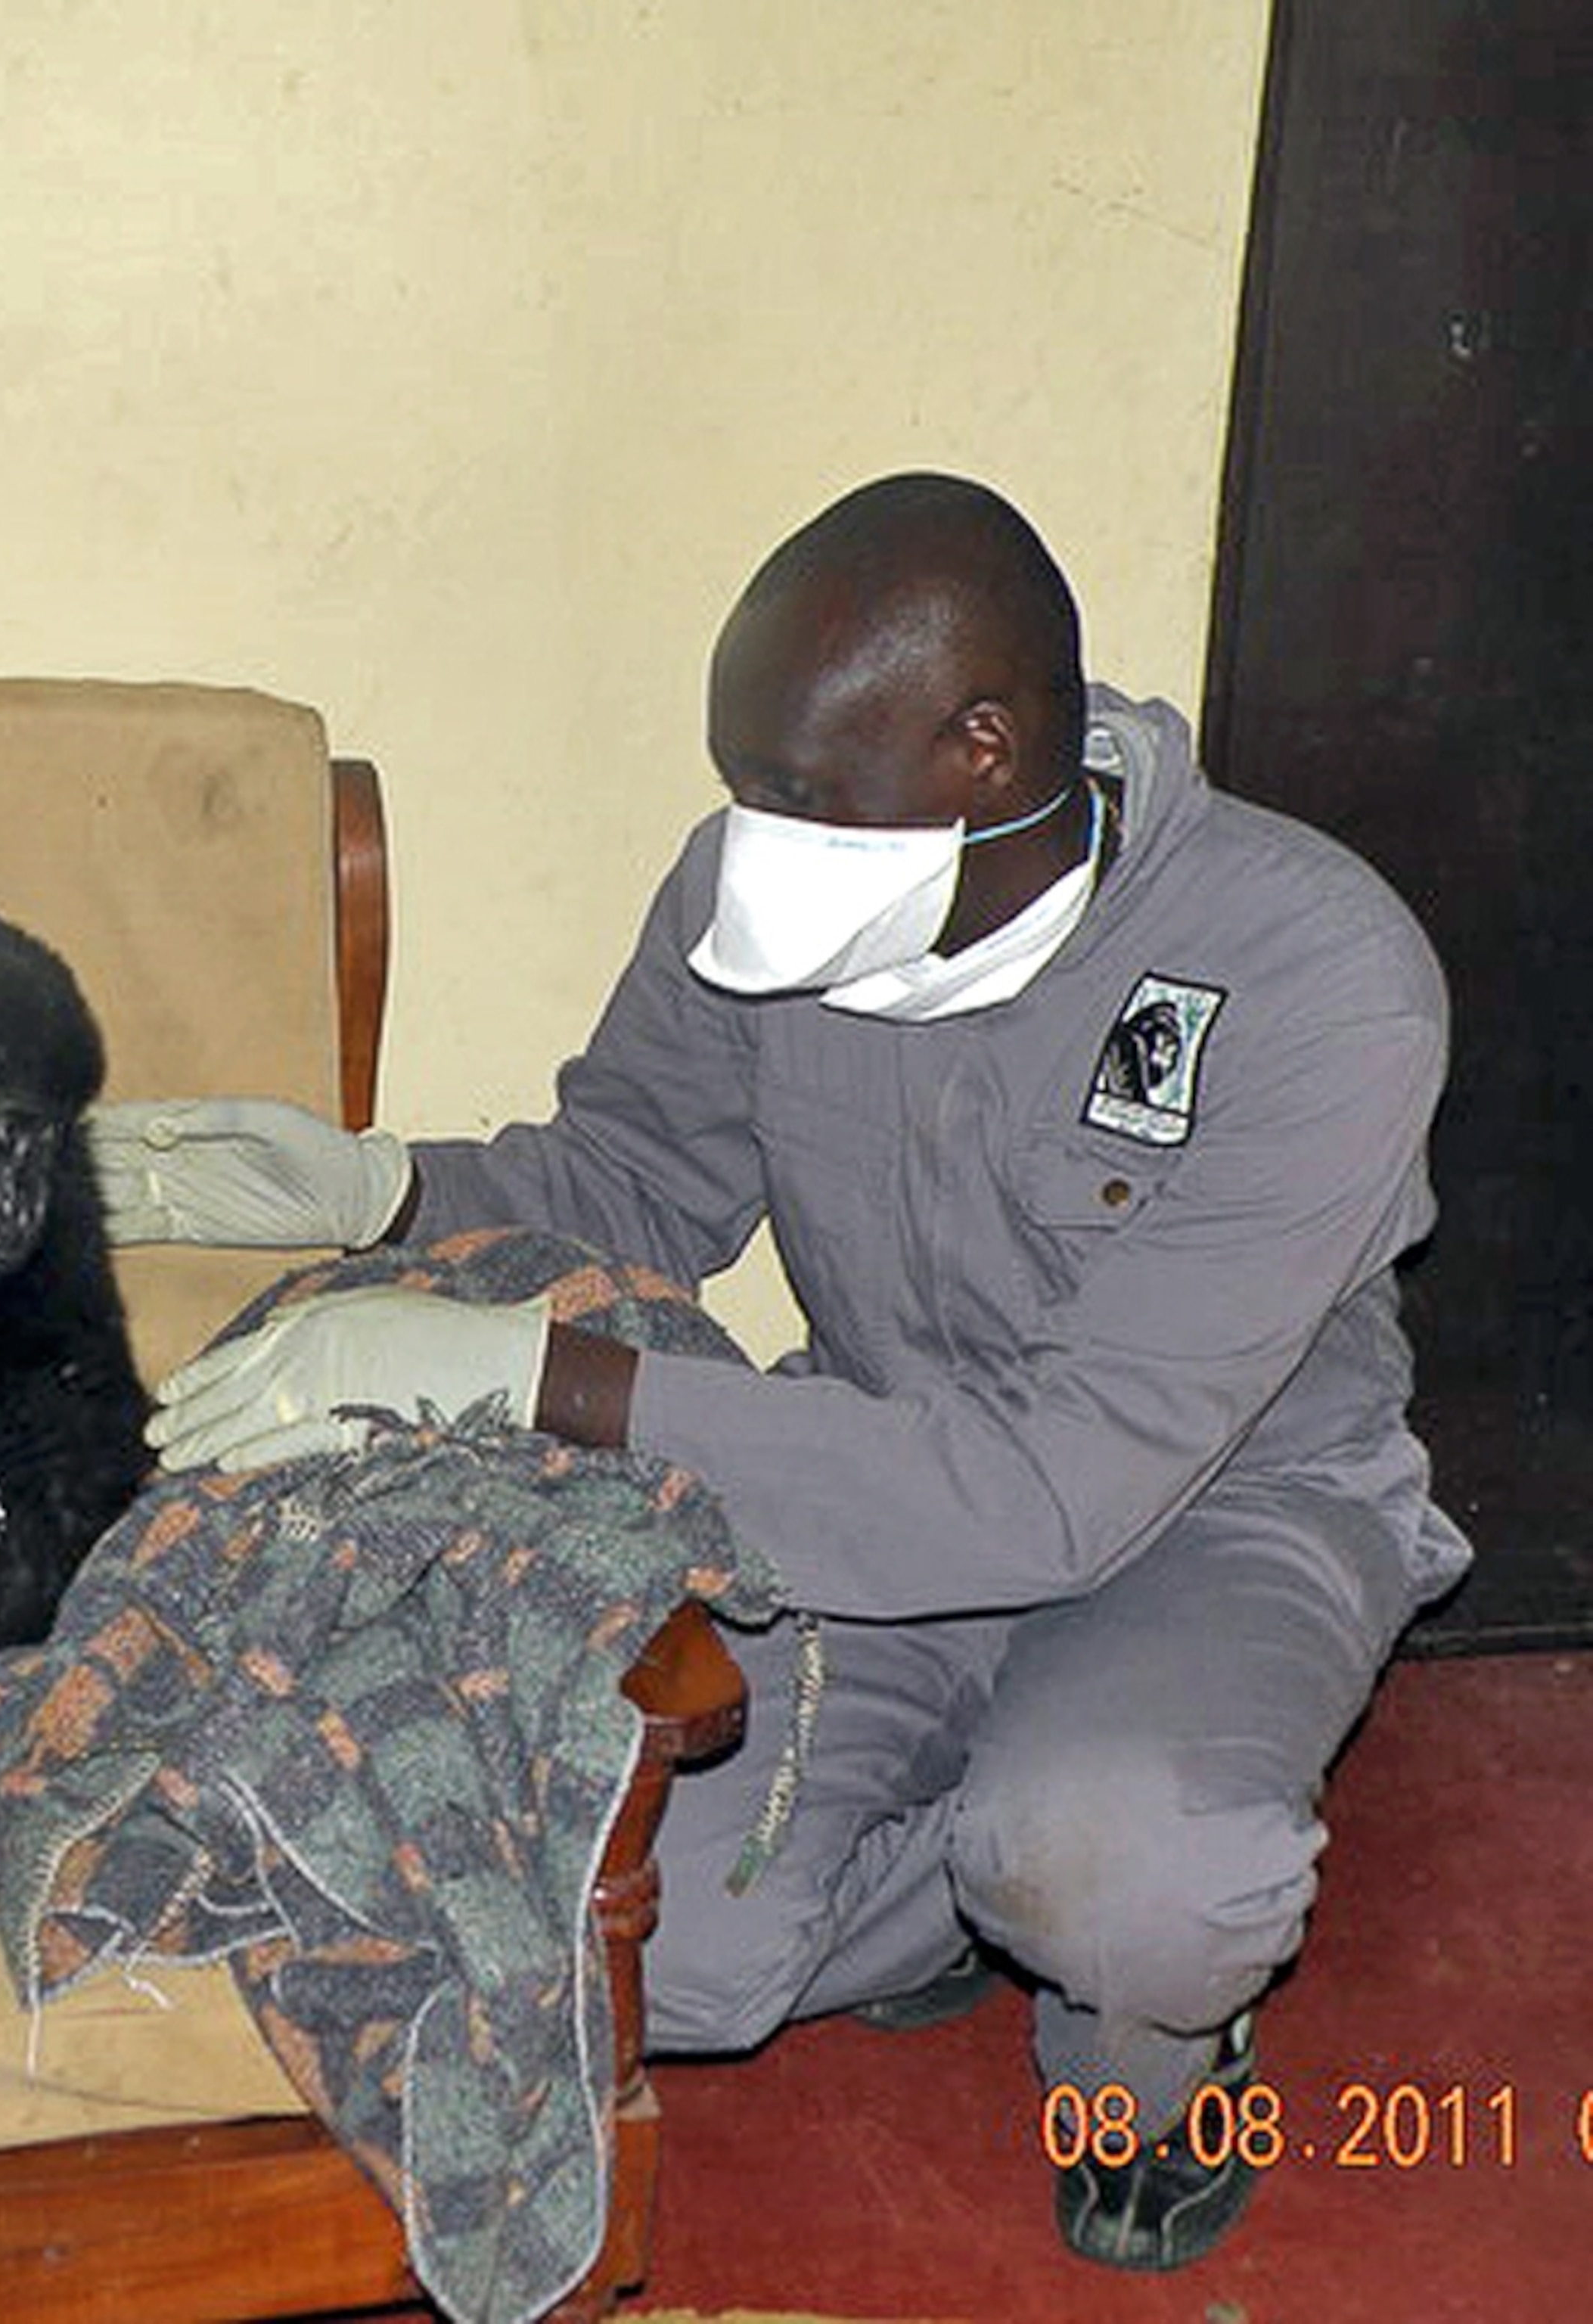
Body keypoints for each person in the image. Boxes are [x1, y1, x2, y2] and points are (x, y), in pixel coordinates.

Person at [90, 472, 1472, 2272]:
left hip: (1222, 1503)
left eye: (806, 793)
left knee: (1117, 1860)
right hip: (869, 1445)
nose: (762, 836)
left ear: (985, 744)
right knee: (670, 1947)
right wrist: (379, 1188)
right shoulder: (783, 880)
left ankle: (1147, 2031)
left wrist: (535, 1375)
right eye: (747, 787)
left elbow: (1063, 1487)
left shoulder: (1314, 972)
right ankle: (968, 1878)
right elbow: (631, 1184)